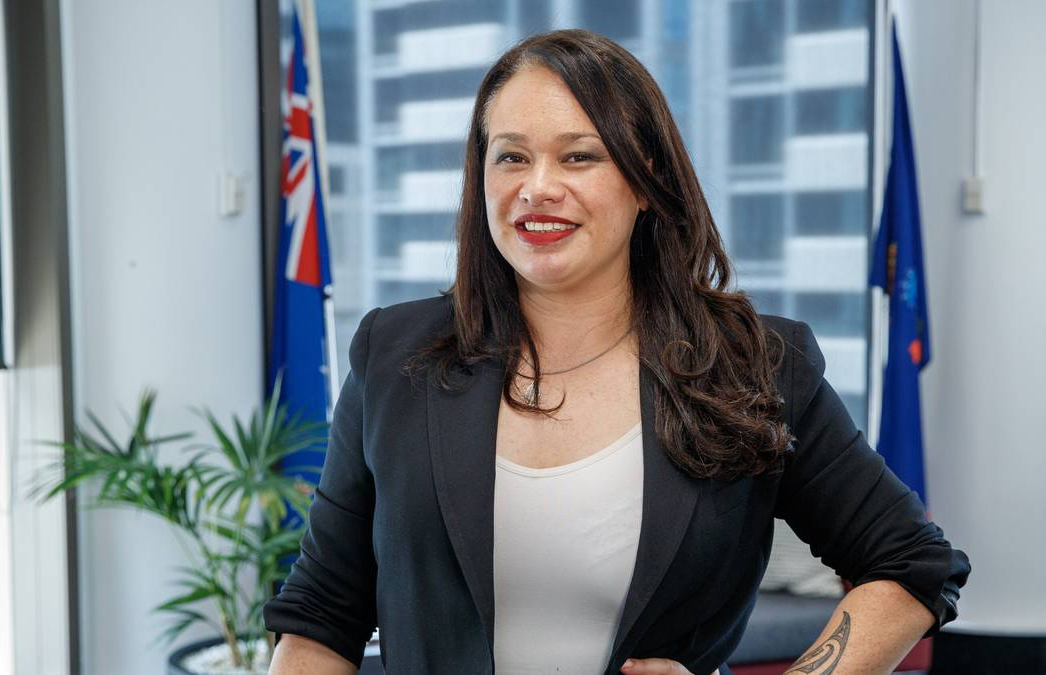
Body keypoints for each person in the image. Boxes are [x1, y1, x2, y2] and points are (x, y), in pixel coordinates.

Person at [263, 28, 970, 675]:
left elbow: (911, 563)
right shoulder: (394, 356)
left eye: (579, 155)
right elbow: (322, 618)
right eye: (511, 156)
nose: (538, 188)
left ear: (644, 179)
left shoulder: (756, 363)